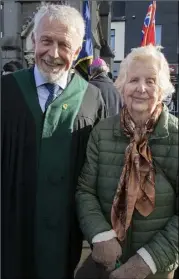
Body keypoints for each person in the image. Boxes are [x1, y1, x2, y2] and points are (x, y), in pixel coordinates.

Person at [1, 3, 106, 279]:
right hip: (11, 233)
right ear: (33, 40)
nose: (54, 53)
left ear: (76, 51)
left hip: (68, 238)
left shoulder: (92, 99)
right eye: (46, 41)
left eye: (64, 45)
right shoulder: (6, 92)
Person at [76, 45, 178, 279]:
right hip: (106, 263)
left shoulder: (176, 137)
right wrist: (101, 236)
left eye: (151, 81)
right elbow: (85, 190)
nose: (141, 89)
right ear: (122, 86)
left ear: (162, 88)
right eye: (133, 80)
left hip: (156, 270)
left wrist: (147, 261)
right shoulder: (101, 132)